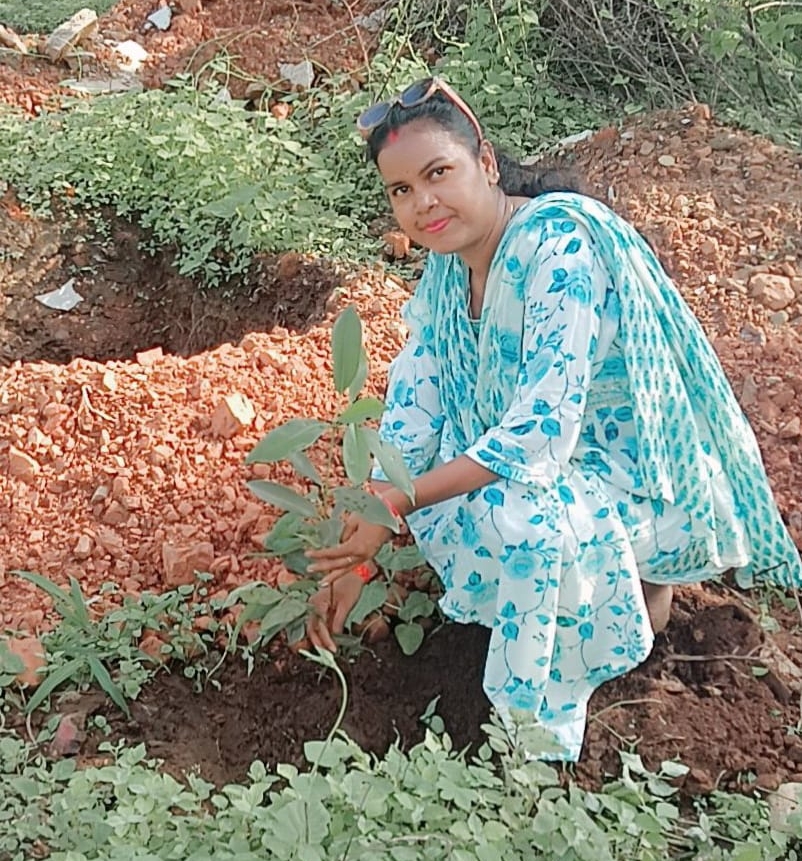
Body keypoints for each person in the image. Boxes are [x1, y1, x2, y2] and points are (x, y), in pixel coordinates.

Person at [304, 77, 802, 760]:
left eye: (437, 173)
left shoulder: (557, 248)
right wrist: (359, 547)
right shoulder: (450, 271)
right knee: (444, 469)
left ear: (484, 161)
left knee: (522, 518)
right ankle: (574, 616)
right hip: (553, 462)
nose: (423, 203)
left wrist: (398, 499)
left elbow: (542, 431)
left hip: (632, 472)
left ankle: (540, 728)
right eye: (401, 190)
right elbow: (414, 410)